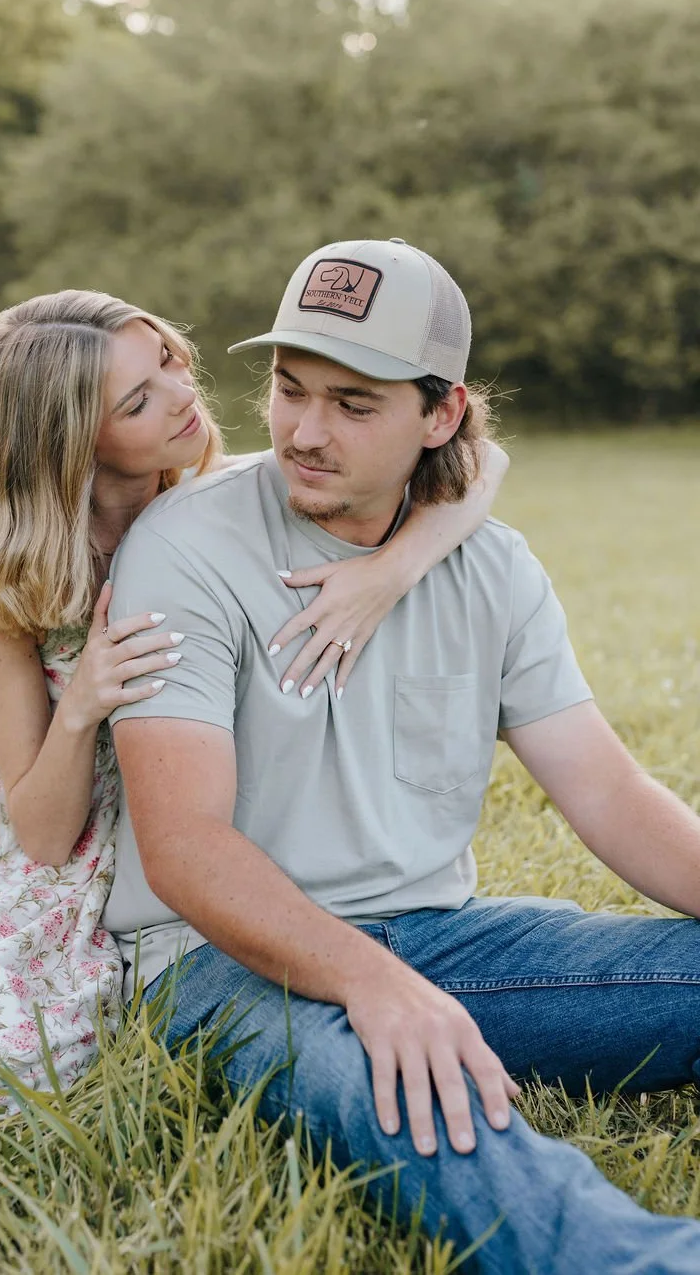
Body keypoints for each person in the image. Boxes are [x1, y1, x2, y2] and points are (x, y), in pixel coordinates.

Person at [0, 289, 507, 1117]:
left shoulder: (216, 498)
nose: (186, 394)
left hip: (181, 818)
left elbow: (484, 464)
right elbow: (37, 831)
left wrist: (389, 571)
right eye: (140, 400)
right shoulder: (6, 564)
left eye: (170, 361)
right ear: (72, 441)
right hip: (34, 836)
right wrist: (83, 701)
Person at [103, 238, 700, 1274]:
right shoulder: (185, 545)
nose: (303, 430)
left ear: (441, 414)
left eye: (354, 403)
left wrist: (398, 972)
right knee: (400, 1084)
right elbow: (185, 848)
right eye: (290, 390)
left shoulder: (493, 568)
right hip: (213, 966)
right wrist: (371, 984)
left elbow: (608, 791)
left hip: (441, 943)